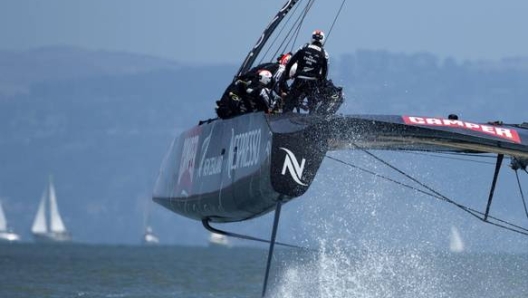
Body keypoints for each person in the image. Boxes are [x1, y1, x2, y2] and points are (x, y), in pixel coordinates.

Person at [215, 53, 292, 119]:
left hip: (243, 107)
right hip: (229, 109)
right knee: (262, 92)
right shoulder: (251, 84)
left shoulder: (269, 71)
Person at [281, 30, 329, 113]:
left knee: (289, 103)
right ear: (323, 40)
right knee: (313, 106)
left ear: (312, 39)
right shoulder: (324, 54)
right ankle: (312, 122)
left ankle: (283, 118)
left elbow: (290, 63)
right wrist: (322, 85)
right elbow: (324, 73)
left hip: (299, 80)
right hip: (312, 83)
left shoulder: (302, 48)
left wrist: (286, 76)